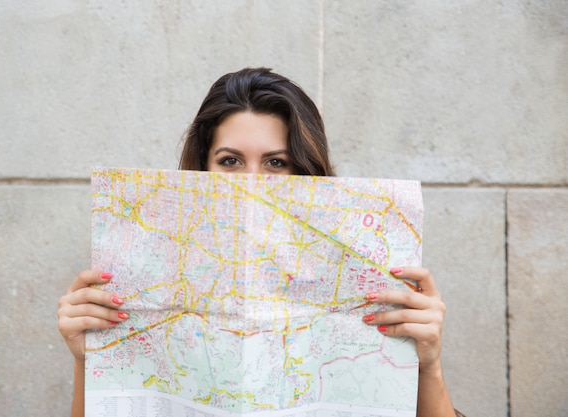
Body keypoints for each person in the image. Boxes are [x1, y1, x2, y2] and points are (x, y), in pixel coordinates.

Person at [58, 67, 462, 417]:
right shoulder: (144, 286)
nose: (252, 184)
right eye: (230, 161)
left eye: (276, 163)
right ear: (202, 169)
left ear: (307, 173)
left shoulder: (368, 283)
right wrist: (89, 359)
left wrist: (429, 367)